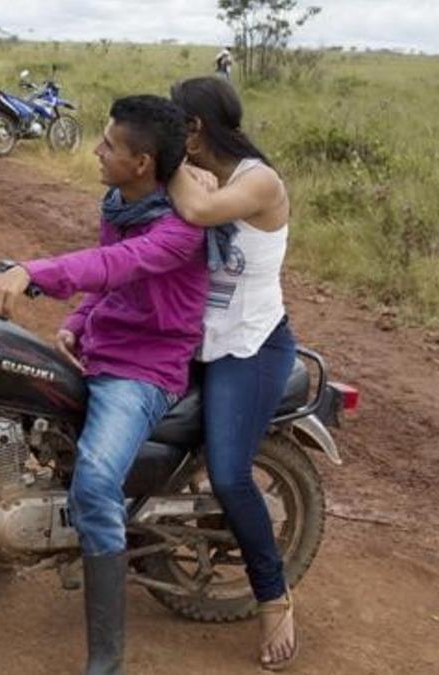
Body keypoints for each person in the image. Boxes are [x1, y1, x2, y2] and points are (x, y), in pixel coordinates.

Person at [0, 95, 209, 675]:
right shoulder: (122, 202)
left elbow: (114, 266)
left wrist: (30, 274)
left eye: (109, 144)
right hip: (101, 349)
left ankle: (107, 654)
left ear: (142, 162)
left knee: (93, 486)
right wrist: (75, 322)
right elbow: (109, 282)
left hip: (143, 372)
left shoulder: (178, 231)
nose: (96, 149)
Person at [168, 76, 298, 672]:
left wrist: (164, 160)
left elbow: (196, 210)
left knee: (228, 472)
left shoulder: (258, 180)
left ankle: (273, 595)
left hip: (250, 346)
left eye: (173, 124)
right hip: (196, 338)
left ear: (193, 129)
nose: (169, 132)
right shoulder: (204, 172)